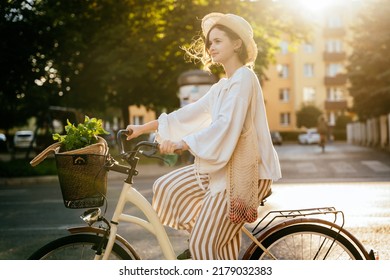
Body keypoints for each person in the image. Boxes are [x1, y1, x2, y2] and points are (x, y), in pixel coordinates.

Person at [125, 12, 281, 260]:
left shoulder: (244, 78)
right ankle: (213, 240)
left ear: (237, 43)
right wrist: (143, 128)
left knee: (202, 246)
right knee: (167, 187)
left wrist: (182, 143)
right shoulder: (221, 86)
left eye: (218, 41)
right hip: (223, 169)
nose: (211, 47)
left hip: (246, 173)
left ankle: (208, 242)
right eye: (210, 42)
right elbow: (187, 114)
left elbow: (225, 125)